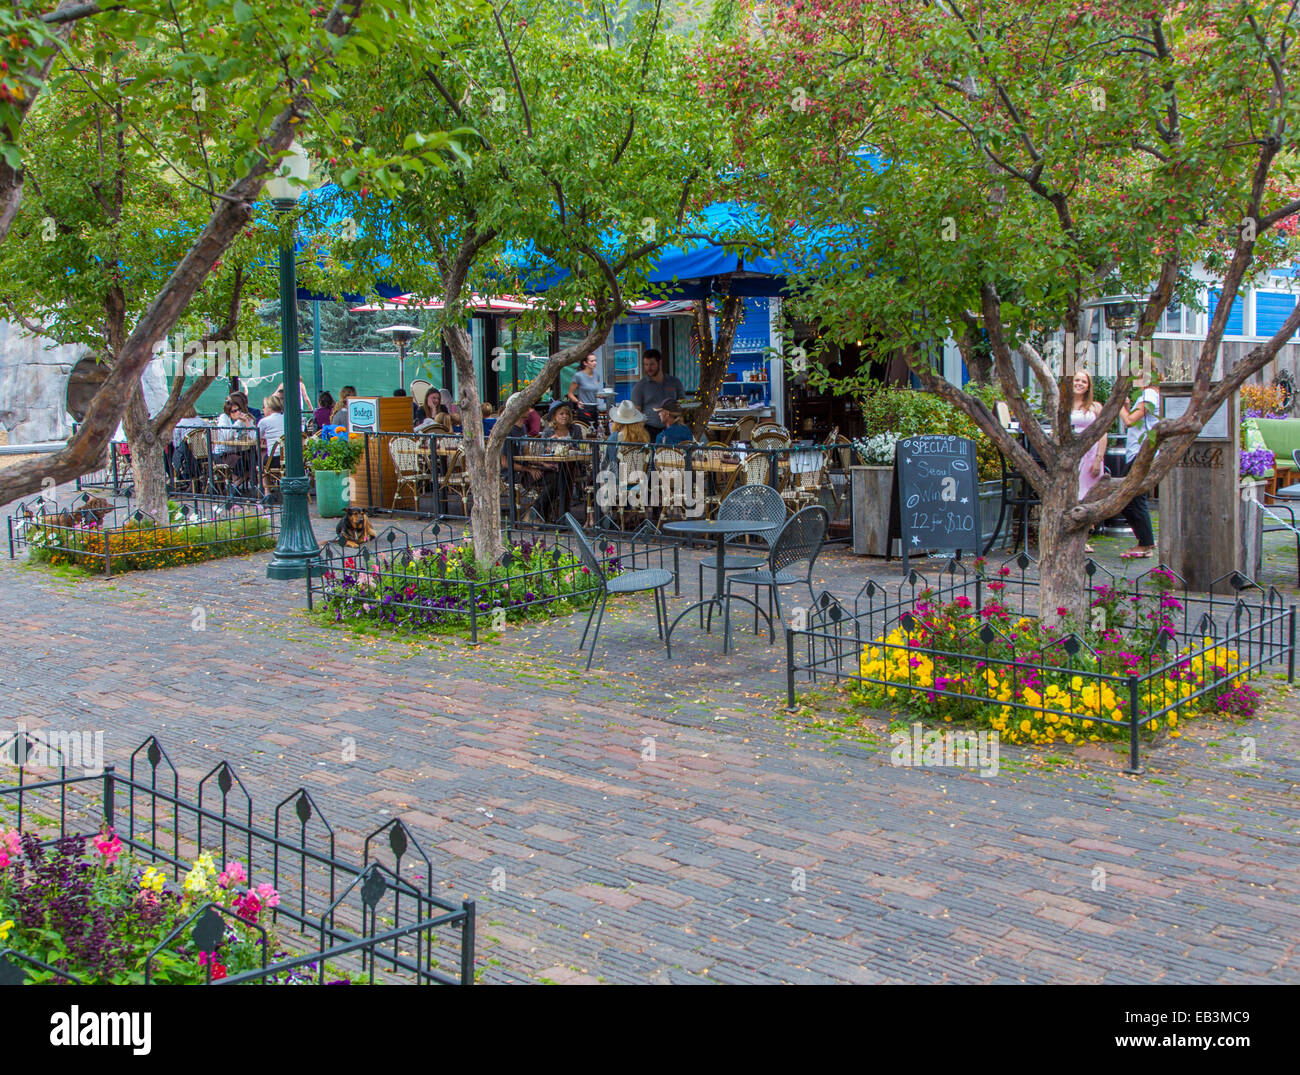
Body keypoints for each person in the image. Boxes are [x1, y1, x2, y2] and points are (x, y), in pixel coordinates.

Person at [1117, 369, 1160, 559]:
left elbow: (1129, 420)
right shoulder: (1147, 394)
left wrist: (1117, 404)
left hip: (1141, 454)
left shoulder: (1149, 394)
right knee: (1128, 499)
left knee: (1133, 498)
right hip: (1137, 453)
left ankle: (1145, 544)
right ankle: (1145, 540)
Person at [1071, 369, 1107, 554]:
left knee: (1086, 497)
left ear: (1088, 386)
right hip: (1072, 455)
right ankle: (1076, 538)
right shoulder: (1064, 406)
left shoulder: (1095, 407)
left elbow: (1102, 433)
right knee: (1072, 496)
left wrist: (1099, 458)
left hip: (1091, 455)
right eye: (1076, 380)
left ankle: (1084, 537)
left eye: (1083, 381)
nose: (1079, 383)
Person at [631, 349, 684, 438]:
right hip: (650, 430)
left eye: (652, 364)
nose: (648, 368)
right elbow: (636, 412)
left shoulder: (674, 382)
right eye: (646, 365)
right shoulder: (640, 386)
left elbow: (682, 403)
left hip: (673, 428)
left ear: (660, 363)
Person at [567, 353, 602, 426]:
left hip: (595, 407)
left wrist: (600, 395)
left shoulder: (596, 375)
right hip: (584, 407)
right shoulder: (578, 376)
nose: (594, 363)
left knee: (596, 430)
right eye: (592, 361)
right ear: (585, 363)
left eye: (595, 361)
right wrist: (577, 402)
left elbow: (593, 392)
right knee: (587, 430)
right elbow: (570, 394)